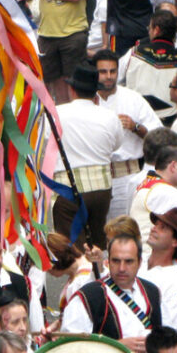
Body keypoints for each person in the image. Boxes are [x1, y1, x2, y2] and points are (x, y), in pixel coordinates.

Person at [63, 234, 162, 353]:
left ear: (140, 262)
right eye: (116, 261)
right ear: (107, 261)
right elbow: (70, 351)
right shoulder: (87, 297)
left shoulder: (152, 292)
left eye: (128, 261)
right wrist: (117, 346)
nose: (122, 268)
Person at [51, 61, 124, 248]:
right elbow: (116, 144)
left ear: (72, 89)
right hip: (101, 189)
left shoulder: (56, 114)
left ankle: (84, 276)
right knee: (97, 243)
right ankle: (97, 274)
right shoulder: (109, 116)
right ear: (95, 92)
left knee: (73, 248)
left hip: (68, 189)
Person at [90, 49, 163, 220]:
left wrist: (136, 127)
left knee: (126, 229)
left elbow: (159, 136)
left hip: (127, 176)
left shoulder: (133, 98)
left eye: (113, 71)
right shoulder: (87, 100)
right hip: (94, 177)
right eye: (103, 72)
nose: (108, 76)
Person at [140, 208, 177, 330]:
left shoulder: (176, 284)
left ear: (175, 241)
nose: (154, 228)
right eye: (156, 224)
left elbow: (169, 332)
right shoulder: (135, 261)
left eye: (162, 227)